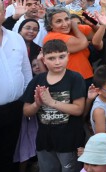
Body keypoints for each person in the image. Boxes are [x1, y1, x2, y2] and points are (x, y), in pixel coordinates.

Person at [22, 39, 86, 172]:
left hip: (69, 140)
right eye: (51, 58)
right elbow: (26, 111)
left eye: (61, 57)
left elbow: (78, 109)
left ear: (68, 56)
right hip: (45, 140)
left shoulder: (75, 78)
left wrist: (52, 102)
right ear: (43, 59)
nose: (57, 62)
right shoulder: (37, 80)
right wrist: (37, 104)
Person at [0, 0, 32, 171]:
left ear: (3, 13)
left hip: (14, 109)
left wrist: (28, 99)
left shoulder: (16, 38)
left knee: (8, 155)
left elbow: (26, 71)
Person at [43, 7, 95, 86]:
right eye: (58, 21)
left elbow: (94, 34)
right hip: (68, 81)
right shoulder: (52, 37)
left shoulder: (70, 30)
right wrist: (75, 27)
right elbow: (83, 43)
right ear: (50, 25)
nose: (65, 24)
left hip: (86, 76)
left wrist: (93, 24)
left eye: (67, 19)